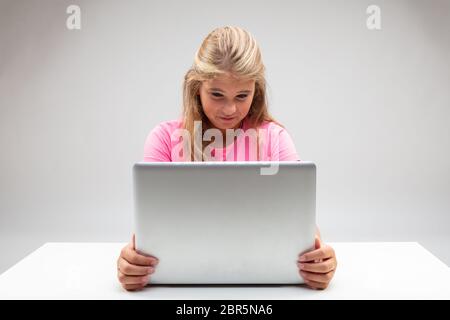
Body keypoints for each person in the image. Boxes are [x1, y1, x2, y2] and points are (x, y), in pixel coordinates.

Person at [117, 26, 337, 291]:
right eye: (217, 94)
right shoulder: (164, 138)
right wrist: (130, 260)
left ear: (256, 90)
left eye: (242, 96)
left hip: (261, 282)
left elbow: (303, 227)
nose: (230, 109)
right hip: (179, 285)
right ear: (197, 88)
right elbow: (148, 229)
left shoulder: (275, 138)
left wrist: (320, 260)